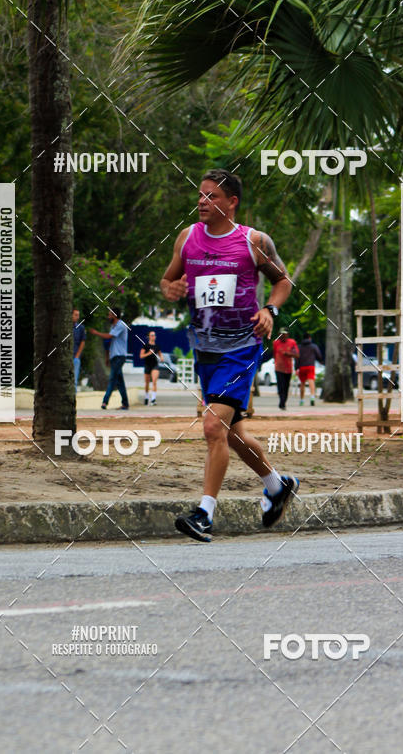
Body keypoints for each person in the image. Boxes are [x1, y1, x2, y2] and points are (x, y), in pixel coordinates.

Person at [161, 168, 299, 543]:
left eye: (211, 196)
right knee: (233, 435)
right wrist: (171, 289)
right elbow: (168, 279)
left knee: (211, 428)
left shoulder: (254, 241)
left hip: (241, 347)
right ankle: (276, 484)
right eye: (201, 195)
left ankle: (204, 514)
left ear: (231, 202)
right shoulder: (187, 237)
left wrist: (270, 310)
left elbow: (283, 281)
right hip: (205, 348)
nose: (202, 202)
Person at [89, 307, 129, 410]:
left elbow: (109, 337)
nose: (108, 316)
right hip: (114, 356)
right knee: (119, 381)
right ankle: (125, 403)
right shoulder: (113, 326)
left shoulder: (121, 325)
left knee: (112, 379)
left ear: (115, 315)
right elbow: (110, 343)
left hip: (120, 356)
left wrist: (96, 333)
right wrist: (107, 357)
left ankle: (104, 402)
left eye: (110, 314)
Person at [272, 328, 299, 410]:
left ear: (287, 335)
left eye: (284, 334)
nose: (283, 336)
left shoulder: (292, 342)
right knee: (280, 386)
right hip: (278, 368)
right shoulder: (275, 343)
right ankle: (282, 402)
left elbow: (297, 355)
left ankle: (283, 402)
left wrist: (289, 354)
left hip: (288, 369)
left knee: (286, 386)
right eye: (281, 334)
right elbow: (274, 354)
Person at [297, 332, 323, 405]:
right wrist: (320, 360)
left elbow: (297, 357)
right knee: (311, 381)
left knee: (302, 383)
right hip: (310, 366)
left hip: (301, 366)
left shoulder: (299, 347)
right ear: (309, 338)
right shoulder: (313, 346)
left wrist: (296, 367)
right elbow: (318, 355)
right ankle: (312, 397)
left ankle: (302, 400)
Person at [141, 330, 163, 405]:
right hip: (147, 365)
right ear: (149, 337)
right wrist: (149, 353)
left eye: (154, 335)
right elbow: (141, 356)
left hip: (155, 365)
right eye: (152, 335)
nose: (154, 336)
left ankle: (153, 399)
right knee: (147, 383)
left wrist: (162, 358)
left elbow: (160, 354)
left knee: (154, 381)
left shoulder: (157, 346)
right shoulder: (146, 345)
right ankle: (146, 397)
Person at [72, 309, 86, 393]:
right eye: (75, 315)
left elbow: (83, 342)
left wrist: (77, 356)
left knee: (74, 379)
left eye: (78, 315)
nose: (78, 317)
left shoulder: (81, 328)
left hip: (75, 357)